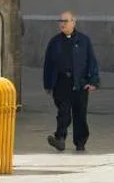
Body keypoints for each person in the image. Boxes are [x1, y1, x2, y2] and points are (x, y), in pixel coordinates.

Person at [42, 11, 100, 153]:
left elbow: (91, 62)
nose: (62, 24)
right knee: (63, 112)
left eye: (66, 21)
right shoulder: (55, 42)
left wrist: (93, 81)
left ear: (74, 22)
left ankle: (80, 142)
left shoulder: (83, 41)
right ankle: (60, 139)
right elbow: (48, 64)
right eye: (60, 21)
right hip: (61, 83)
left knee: (80, 115)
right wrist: (48, 84)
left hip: (80, 84)